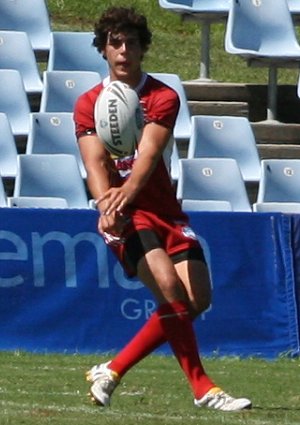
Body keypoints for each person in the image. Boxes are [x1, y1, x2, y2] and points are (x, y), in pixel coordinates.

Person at [74, 6, 251, 412]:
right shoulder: (87, 104)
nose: (123, 50)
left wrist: (124, 193)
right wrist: (108, 204)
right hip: (125, 214)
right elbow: (95, 163)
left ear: (142, 49)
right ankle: (204, 389)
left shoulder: (162, 96)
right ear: (102, 50)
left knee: (196, 299)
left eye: (131, 42)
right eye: (114, 43)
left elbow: (149, 156)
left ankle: (112, 370)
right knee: (171, 292)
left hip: (163, 211)